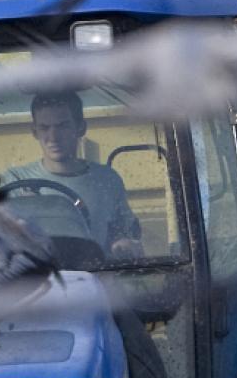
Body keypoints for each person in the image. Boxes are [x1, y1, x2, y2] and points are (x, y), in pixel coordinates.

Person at [15, 90, 144, 256]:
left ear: (81, 127)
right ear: (35, 132)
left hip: (97, 275)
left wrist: (124, 244)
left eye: (63, 126)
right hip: (41, 277)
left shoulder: (107, 180)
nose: (53, 137)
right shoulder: (17, 180)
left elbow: (124, 233)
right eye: (44, 128)